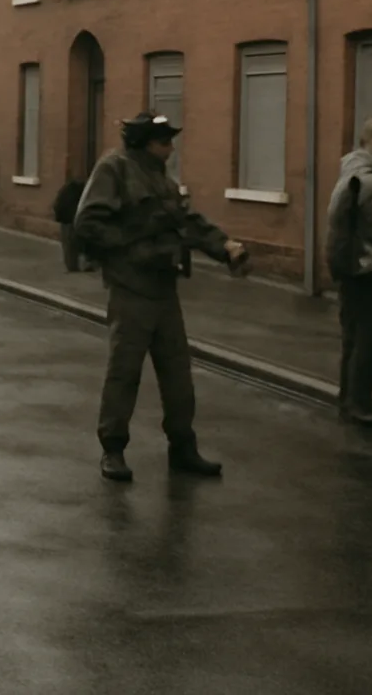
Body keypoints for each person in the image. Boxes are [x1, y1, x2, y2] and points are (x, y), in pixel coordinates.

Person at [73, 112, 248, 482]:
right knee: (125, 373)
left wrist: (226, 247)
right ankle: (114, 449)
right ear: (144, 142)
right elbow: (88, 223)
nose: (171, 148)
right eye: (164, 141)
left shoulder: (160, 179)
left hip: (163, 288)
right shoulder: (114, 170)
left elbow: (186, 222)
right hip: (131, 288)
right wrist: (131, 243)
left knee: (178, 376)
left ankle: (183, 448)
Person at [325, 116, 372, 427]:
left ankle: (349, 398)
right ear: (371, 141)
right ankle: (360, 403)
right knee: (369, 338)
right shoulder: (370, 181)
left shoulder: (354, 174)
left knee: (353, 336)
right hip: (368, 269)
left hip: (351, 267)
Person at [53, 175, 89, 272]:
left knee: (67, 245)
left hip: (65, 220)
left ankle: (71, 266)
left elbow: (57, 205)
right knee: (75, 244)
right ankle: (76, 266)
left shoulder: (66, 190)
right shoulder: (79, 192)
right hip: (72, 220)